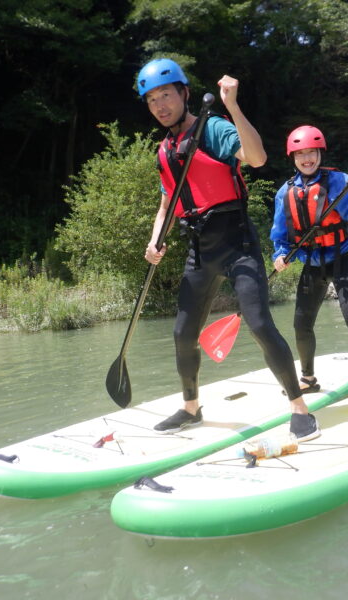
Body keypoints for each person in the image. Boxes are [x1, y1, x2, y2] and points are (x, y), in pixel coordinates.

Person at [137, 58, 320, 441]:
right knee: (183, 333)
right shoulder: (164, 150)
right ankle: (191, 408)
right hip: (199, 250)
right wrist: (155, 239)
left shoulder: (213, 128)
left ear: (184, 94)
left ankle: (299, 407)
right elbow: (167, 203)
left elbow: (256, 159)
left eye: (166, 95)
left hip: (236, 243)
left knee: (259, 325)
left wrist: (233, 107)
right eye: (152, 100)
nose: (160, 105)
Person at [270, 125, 348, 401]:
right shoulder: (285, 192)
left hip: (342, 258)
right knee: (301, 324)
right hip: (312, 264)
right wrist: (279, 254)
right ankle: (309, 379)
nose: (307, 159)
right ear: (293, 158)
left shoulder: (338, 183)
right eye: (300, 154)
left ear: (319, 153)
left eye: (311, 152)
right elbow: (280, 234)